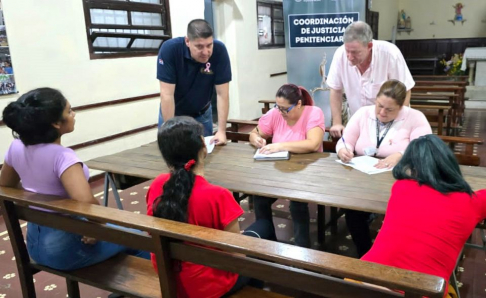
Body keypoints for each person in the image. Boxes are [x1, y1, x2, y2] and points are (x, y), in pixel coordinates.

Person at [0, 88, 149, 271]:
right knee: (143, 241)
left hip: (34, 245)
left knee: (121, 235)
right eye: (69, 111)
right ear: (55, 122)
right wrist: (95, 229)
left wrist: (34, 196)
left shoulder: (15, 147)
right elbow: (87, 203)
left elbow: (5, 186)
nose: (74, 114)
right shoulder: (63, 157)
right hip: (66, 249)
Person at [146, 116, 274, 298]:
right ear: (202, 146)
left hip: (169, 276)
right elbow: (237, 253)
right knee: (264, 227)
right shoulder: (217, 195)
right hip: (208, 285)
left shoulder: (157, 185)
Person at [362, 134, 486, 298]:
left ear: (411, 167)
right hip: (425, 292)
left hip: (362, 282)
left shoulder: (401, 186)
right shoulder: (474, 202)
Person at [335, 79, 432, 257]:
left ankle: (395, 256)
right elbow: (345, 140)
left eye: (389, 110)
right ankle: (366, 254)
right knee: (353, 212)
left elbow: (425, 148)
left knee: (400, 217)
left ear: (401, 107)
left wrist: (402, 155)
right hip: (363, 177)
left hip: (398, 179)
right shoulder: (363, 113)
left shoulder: (415, 117)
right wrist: (344, 150)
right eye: (379, 106)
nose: (381, 112)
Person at [249, 84, 325, 248]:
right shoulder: (276, 113)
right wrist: (255, 137)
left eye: (285, 109)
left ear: (298, 104)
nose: (281, 112)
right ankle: (268, 242)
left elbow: (313, 144)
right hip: (279, 172)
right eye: (278, 107)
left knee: (297, 203)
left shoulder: (313, 113)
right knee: (260, 198)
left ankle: (302, 248)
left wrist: (280, 145)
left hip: (307, 171)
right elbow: (255, 132)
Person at [327, 21, 414, 138]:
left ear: (369, 46)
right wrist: (337, 123)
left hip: (391, 121)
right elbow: (335, 90)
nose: (349, 57)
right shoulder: (340, 55)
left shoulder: (390, 53)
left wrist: (396, 124)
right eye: (347, 51)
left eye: (355, 52)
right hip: (359, 122)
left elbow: (405, 91)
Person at [157, 19, 231, 144]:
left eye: (209, 45)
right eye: (199, 46)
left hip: (201, 114)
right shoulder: (170, 49)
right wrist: (170, 132)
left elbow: (222, 94)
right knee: (172, 153)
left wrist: (222, 131)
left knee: (204, 156)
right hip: (174, 113)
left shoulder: (219, 50)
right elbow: (167, 95)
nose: (206, 52)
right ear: (187, 41)